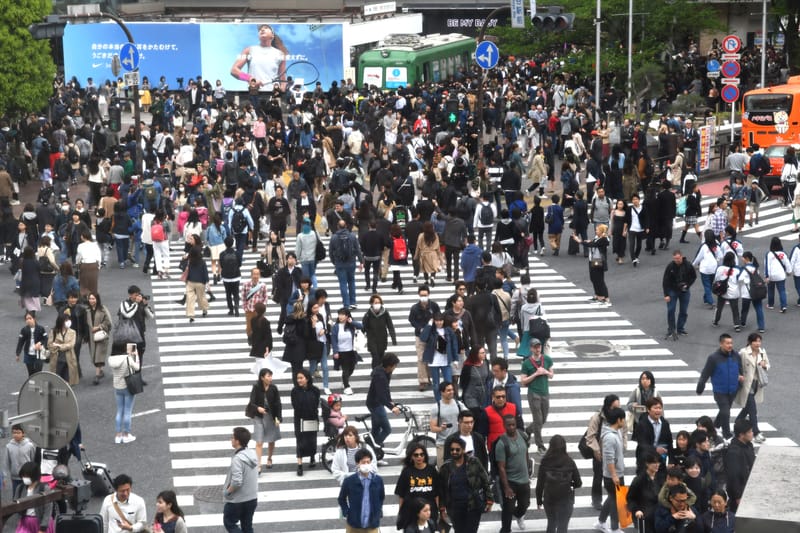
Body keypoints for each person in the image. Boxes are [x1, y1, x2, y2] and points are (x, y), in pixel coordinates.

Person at [438, 434, 493, 533]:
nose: (454, 452)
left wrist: (489, 499)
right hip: (454, 508)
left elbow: (485, 480)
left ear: (463, 450)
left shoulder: (474, 462)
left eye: (457, 450)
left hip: (472, 505)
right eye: (452, 450)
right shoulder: (445, 468)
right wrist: (442, 508)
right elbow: (442, 490)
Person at [696, 333, 743, 440]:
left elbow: (740, 370)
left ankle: (715, 426)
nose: (730, 345)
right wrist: (700, 388)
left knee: (724, 411)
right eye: (727, 343)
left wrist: (740, 381)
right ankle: (727, 435)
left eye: (731, 343)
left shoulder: (736, 355)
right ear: (721, 344)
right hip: (720, 391)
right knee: (726, 412)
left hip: (733, 390)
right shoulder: (713, 358)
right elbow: (705, 374)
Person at [535, 434, 581, 533]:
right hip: (566, 500)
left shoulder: (545, 462)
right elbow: (578, 483)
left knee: (551, 523)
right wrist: (570, 484)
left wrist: (539, 500)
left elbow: (540, 484)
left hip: (550, 499)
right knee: (562, 527)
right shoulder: (569, 462)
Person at [495, 414, 531, 533]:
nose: (511, 427)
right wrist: (506, 487)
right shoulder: (502, 443)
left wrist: (528, 469)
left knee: (525, 505)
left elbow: (525, 452)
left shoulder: (522, 435)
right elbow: (501, 467)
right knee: (508, 508)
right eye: (509, 425)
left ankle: (519, 515)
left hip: (524, 480)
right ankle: (505, 529)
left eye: (513, 425)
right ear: (504, 426)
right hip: (510, 481)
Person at [594, 407, 626, 533]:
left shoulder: (616, 431)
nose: (624, 422)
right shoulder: (610, 437)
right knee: (616, 502)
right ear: (619, 420)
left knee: (612, 498)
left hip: (617, 473)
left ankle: (601, 522)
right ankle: (614, 528)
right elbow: (609, 458)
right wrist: (614, 475)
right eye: (623, 419)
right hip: (613, 476)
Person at [230, 24, 289, 92]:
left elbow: (283, 80)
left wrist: (281, 93)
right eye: (260, 29)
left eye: (266, 28)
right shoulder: (249, 50)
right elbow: (234, 71)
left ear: (272, 35)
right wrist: (250, 79)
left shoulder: (280, 54)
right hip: (254, 93)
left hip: (273, 94)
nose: (262, 30)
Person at [338, 449, 385, 533]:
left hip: (372, 525)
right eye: (363, 462)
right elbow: (341, 498)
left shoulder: (378, 480)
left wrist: (378, 511)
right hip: (354, 525)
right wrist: (347, 512)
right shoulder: (349, 481)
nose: (366, 464)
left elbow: (381, 497)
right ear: (357, 463)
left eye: (368, 462)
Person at [734, 332, 769, 444]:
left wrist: (764, 365)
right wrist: (739, 376)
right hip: (746, 384)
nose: (758, 343)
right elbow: (737, 364)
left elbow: (768, 365)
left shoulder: (762, 352)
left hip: (756, 384)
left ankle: (738, 422)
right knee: (753, 409)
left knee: (748, 408)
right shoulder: (743, 352)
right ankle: (756, 432)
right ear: (750, 342)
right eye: (756, 341)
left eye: (759, 341)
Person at [395, 443, 441, 529]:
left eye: (421, 454)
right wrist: (401, 512)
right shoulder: (406, 472)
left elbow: (437, 493)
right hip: (411, 512)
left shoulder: (431, 470)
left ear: (425, 456)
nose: (419, 457)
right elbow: (401, 495)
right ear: (412, 457)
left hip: (428, 511)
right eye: (416, 455)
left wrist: (437, 510)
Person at [520, 338, 554, 454]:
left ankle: (528, 431)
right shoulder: (527, 363)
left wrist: (546, 372)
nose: (537, 349)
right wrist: (536, 373)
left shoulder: (547, 359)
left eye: (539, 346)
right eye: (535, 347)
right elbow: (523, 381)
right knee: (538, 420)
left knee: (543, 419)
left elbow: (551, 375)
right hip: (534, 393)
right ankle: (540, 445)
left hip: (545, 392)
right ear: (531, 349)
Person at [223, 427, 259, 533]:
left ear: (237, 441)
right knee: (247, 526)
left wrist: (227, 492)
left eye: (232, 437)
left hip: (238, 500)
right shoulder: (252, 454)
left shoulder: (237, 459)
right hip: (252, 498)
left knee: (229, 523)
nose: (231, 439)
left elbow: (237, 481)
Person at [247, 367, 281, 472]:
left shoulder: (273, 388)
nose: (270, 378)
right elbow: (252, 402)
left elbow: (278, 404)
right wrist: (258, 408)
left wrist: (278, 418)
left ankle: (269, 458)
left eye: (271, 376)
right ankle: (258, 465)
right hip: (259, 417)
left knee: (271, 439)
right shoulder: (256, 387)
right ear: (262, 377)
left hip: (271, 416)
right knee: (259, 441)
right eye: (268, 376)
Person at [420, 314, 459, 401]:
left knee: (448, 382)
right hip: (434, 361)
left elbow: (454, 344)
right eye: (437, 321)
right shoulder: (431, 330)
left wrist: (455, 359)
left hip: (446, 360)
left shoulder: (448, 330)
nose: (439, 323)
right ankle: (438, 401)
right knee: (436, 383)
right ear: (434, 321)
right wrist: (429, 325)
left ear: (443, 321)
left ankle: (449, 399)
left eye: (441, 320)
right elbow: (423, 338)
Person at [366, 353, 401, 448]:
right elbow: (381, 396)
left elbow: (386, 389)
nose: (395, 367)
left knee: (376, 429)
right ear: (389, 366)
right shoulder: (380, 376)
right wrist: (392, 407)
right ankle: (373, 449)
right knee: (387, 429)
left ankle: (373, 452)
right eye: (394, 366)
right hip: (375, 404)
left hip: (375, 402)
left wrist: (390, 400)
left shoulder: (386, 372)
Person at [107, 342, 140, 444]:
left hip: (117, 386)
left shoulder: (110, 359)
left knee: (119, 411)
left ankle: (118, 435)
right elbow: (137, 368)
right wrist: (136, 355)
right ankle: (126, 435)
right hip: (128, 386)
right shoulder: (127, 359)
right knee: (127, 411)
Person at [633, 397, 673, 477]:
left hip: (660, 460)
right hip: (645, 460)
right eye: (655, 408)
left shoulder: (665, 423)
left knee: (659, 483)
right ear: (648, 410)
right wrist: (655, 449)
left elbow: (669, 442)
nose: (658, 410)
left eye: (660, 408)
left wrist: (671, 461)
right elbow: (642, 443)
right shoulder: (642, 424)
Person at [409, 286, 439, 391]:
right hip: (420, 336)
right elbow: (411, 320)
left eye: (425, 295)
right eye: (421, 295)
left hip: (432, 336)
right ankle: (422, 380)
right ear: (418, 295)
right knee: (421, 358)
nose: (423, 297)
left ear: (429, 295)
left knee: (431, 357)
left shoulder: (434, 306)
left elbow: (439, 318)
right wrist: (419, 328)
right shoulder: (415, 308)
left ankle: (430, 377)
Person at [428, 382, 466, 465]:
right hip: (442, 443)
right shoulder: (436, 407)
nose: (451, 392)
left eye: (452, 390)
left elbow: (468, 417)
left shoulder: (459, 404)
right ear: (442, 392)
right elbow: (433, 428)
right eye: (448, 390)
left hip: (457, 442)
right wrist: (441, 428)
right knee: (442, 468)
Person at [662, 249, 697, 339]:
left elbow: (694, 276)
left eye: (678, 258)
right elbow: (665, 281)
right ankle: (671, 329)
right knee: (671, 310)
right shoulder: (670, 266)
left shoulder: (688, 265)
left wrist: (688, 285)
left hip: (684, 291)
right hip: (672, 291)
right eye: (675, 259)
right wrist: (666, 294)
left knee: (683, 311)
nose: (677, 260)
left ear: (681, 256)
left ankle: (680, 329)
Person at [291, 369, 320, 476]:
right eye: (298, 378)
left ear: (307, 378)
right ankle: (300, 465)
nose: (299, 380)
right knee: (300, 440)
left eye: (301, 378)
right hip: (299, 419)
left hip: (312, 418)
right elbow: (295, 406)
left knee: (312, 439)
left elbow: (316, 404)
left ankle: (312, 457)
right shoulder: (294, 391)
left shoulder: (315, 390)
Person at [12, 461, 55, 533]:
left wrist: (43, 528)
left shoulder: (44, 488)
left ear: (34, 475)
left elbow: (48, 509)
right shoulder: (20, 488)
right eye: (23, 476)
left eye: (26, 476)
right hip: (25, 522)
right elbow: (15, 505)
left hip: (40, 522)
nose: (24, 478)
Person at [330, 220, 364, 310]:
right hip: (351, 262)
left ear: (338, 226)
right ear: (346, 226)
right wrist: (361, 261)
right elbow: (358, 250)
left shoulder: (334, 237)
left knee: (343, 283)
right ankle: (353, 302)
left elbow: (330, 252)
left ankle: (346, 304)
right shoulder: (352, 236)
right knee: (352, 281)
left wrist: (335, 262)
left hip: (340, 263)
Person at [575, 223, 611, 305]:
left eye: (597, 230)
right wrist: (589, 241)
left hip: (599, 261)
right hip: (593, 260)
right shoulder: (597, 238)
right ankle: (598, 296)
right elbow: (593, 242)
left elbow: (593, 244)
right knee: (593, 279)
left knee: (599, 280)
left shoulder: (604, 239)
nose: (595, 231)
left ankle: (606, 299)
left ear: (602, 231)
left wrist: (580, 241)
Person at [332, 307, 364, 395]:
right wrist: (335, 352)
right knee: (345, 369)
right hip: (342, 352)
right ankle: (346, 386)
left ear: (347, 316)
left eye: (343, 315)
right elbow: (334, 340)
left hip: (351, 351)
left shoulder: (351, 325)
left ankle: (344, 380)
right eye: (339, 315)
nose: (340, 317)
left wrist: (351, 322)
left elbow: (361, 326)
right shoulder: (336, 327)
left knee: (351, 368)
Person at [626, 453, 661, 533]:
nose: (657, 465)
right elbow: (630, 498)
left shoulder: (660, 478)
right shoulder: (639, 480)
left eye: (658, 462)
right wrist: (636, 510)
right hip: (645, 514)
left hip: (658, 514)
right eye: (654, 463)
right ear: (647, 464)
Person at [362, 294, 397, 370]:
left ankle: (379, 371)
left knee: (381, 357)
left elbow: (390, 325)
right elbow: (363, 326)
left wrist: (393, 338)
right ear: (371, 304)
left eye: (379, 302)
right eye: (375, 303)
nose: (377, 304)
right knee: (375, 357)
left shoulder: (385, 313)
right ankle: (375, 372)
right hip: (372, 339)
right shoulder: (368, 314)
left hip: (382, 339)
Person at [712, 252, 745, 330]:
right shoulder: (737, 269)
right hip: (734, 292)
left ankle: (716, 321)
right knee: (735, 309)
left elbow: (717, 279)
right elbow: (741, 279)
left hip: (722, 291)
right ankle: (736, 325)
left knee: (719, 307)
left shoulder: (720, 268)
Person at [85, 291, 112, 385]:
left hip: (101, 336)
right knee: (94, 355)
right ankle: (100, 371)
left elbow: (108, 322)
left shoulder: (103, 309)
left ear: (97, 299)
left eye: (93, 298)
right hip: (91, 337)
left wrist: (99, 327)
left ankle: (96, 376)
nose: (91, 300)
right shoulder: (87, 310)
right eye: (90, 298)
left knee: (98, 355)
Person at [692, 230, 723, 308]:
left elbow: (698, 257)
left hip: (705, 269)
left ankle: (710, 301)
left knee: (706, 285)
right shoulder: (716, 246)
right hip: (714, 268)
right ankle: (706, 298)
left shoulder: (704, 246)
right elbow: (721, 256)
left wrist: (693, 264)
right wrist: (718, 263)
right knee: (709, 284)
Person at [3, 424, 36, 497]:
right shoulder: (9, 446)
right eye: (14, 432)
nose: (16, 435)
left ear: (23, 433)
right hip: (15, 477)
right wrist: (4, 477)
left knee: (27, 495)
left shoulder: (30, 446)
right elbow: (6, 463)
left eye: (18, 433)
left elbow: (33, 461)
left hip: (27, 476)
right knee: (16, 496)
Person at [626, 371, 661, 437]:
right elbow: (628, 405)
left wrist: (661, 421)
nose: (645, 381)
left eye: (647, 379)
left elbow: (661, 408)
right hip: (639, 422)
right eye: (643, 379)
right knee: (641, 443)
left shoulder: (655, 393)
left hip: (652, 422)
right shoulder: (636, 391)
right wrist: (633, 406)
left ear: (651, 380)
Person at [47, 312, 78, 385]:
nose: (68, 322)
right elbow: (50, 345)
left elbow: (71, 345)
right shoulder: (54, 331)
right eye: (66, 320)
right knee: (57, 379)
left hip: (69, 359)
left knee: (67, 380)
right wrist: (63, 346)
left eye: (68, 320)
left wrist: (59, 345)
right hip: (57, 359)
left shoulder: (72, 332)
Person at [15, 311, 48, 376]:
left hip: (39, 353)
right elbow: (20, 342)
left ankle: (37, 384)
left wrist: (40, 343)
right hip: (28, 354)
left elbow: (46, 339)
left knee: (38, 372)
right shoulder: (24, 330)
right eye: (26, 319)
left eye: (30, 318)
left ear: (34, 319)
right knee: (30, 373)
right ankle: (32, 385)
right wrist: (18, 353)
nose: (28, 320)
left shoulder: (41, 328)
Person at [764, 236, 791, 312]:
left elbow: (767, 266)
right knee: (782, 290)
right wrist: (789, 271)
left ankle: (771, 304)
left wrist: (767, 276)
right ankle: (783, 306)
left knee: (770, 290)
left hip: (772, 276)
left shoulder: (769, 254)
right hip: (781, 275)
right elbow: (787, 264)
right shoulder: (783, 254)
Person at [415, 222, 443, 287]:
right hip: (433, 253)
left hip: (424, 253)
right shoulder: (435, 235)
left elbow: (418, 246)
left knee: (424, 268)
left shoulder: (421, 235)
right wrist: (440, 256)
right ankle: (432, 277)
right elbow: (438, 247)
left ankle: (426, 280)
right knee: (434, 267)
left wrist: (416, 255)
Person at [220, 237, 242, 316]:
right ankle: (236, 306)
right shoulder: (237, 253)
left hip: (226, 277)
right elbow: (240, 264)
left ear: (225, 244)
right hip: (236, 276)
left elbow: (221, 265)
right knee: (236, 293)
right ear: (233, 243)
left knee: (228, 293)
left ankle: (231, 309)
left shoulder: (222, 254)